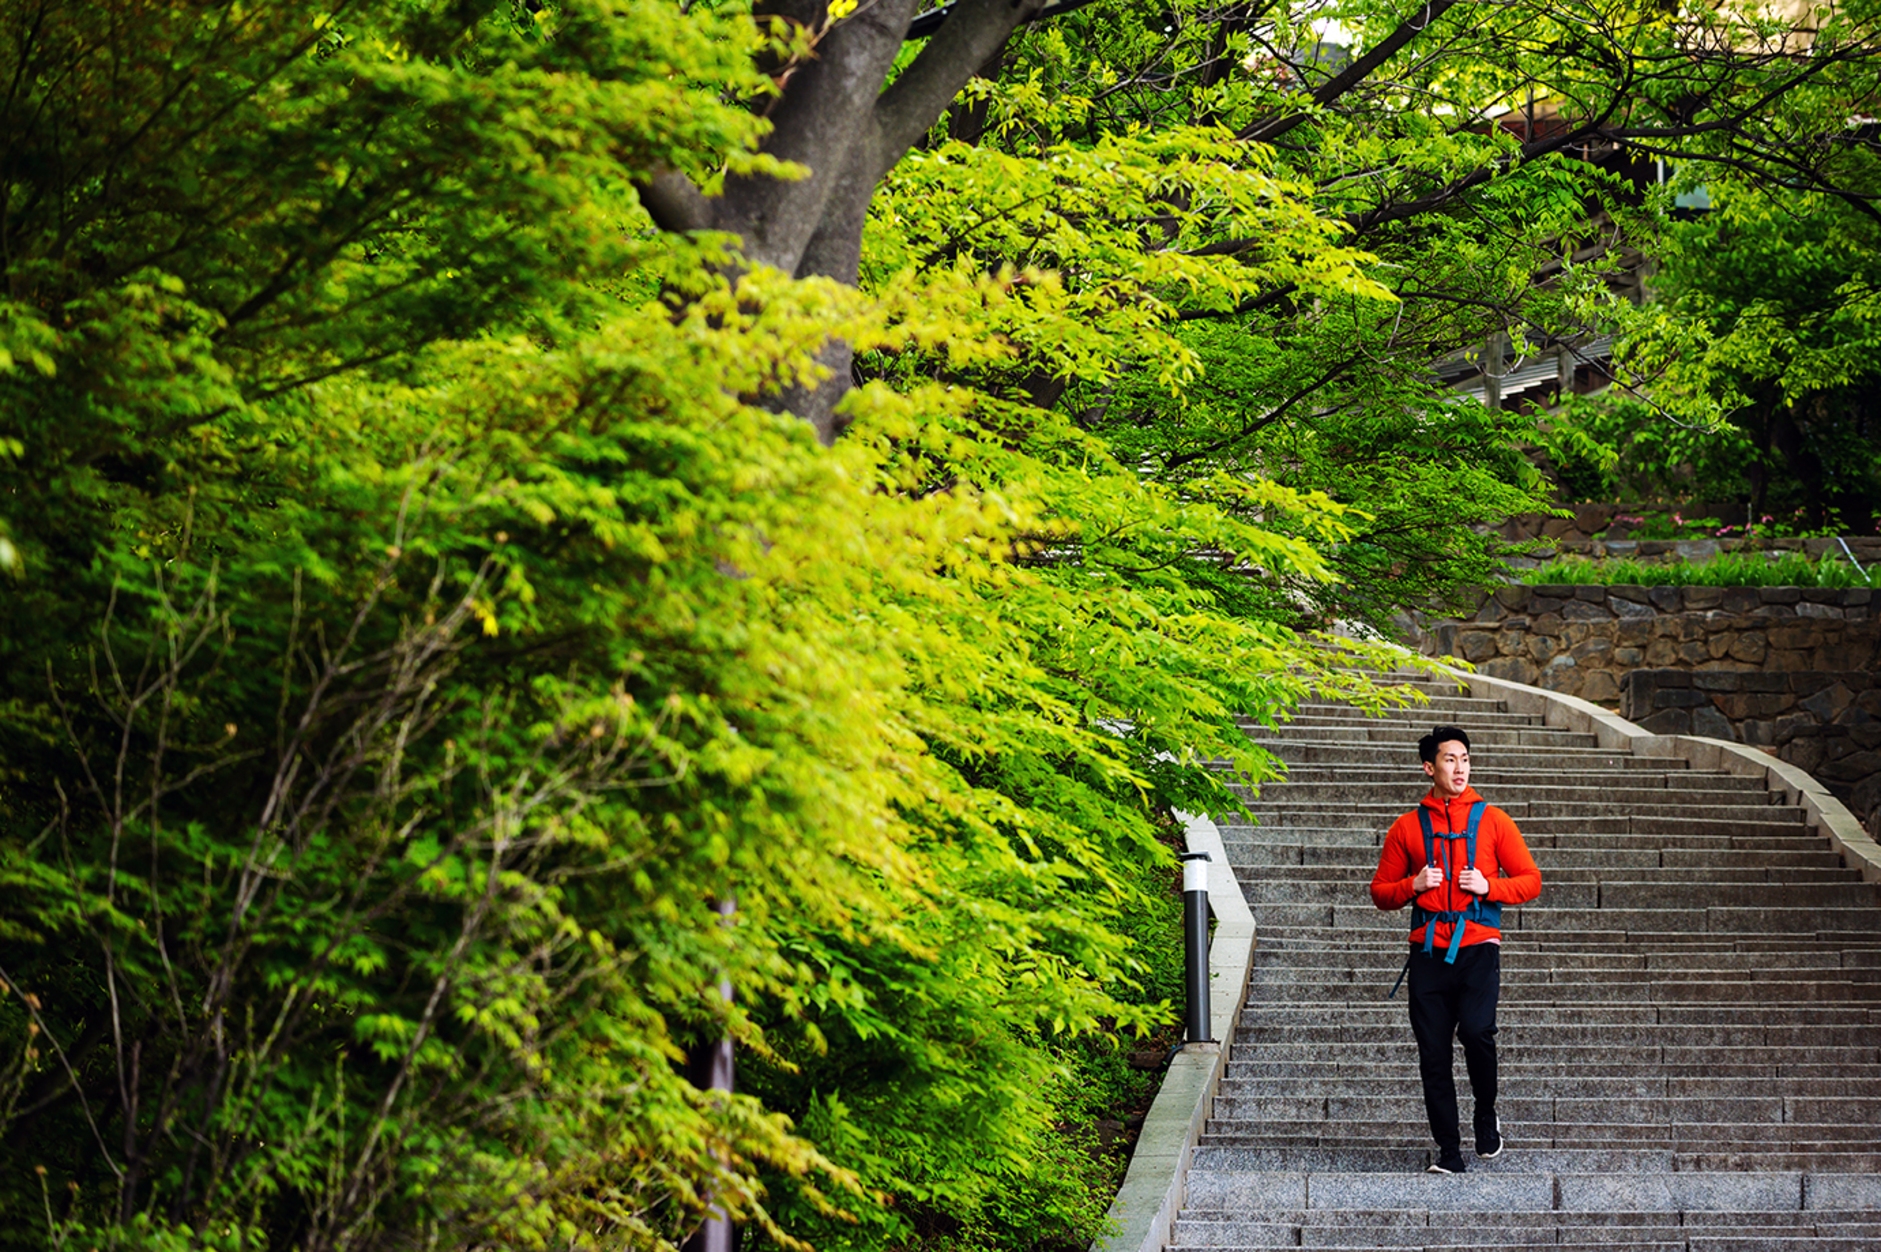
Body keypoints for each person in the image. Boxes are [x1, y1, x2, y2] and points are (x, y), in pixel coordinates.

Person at [1370, 726, 1542, 1174]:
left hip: (1478, 947)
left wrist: (1490, 886)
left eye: (1464, 758)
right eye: (1450, 759)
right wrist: (1414, 884)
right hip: (1427, 955)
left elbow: (1531, 879)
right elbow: (1380, 892)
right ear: (1430, 768)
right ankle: (1448, 1150)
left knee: (1478, 1032)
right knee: (1433, 1053)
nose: (1460, 767)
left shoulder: (1494, 820)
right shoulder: (1407, 827)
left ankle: (1485, 1113)